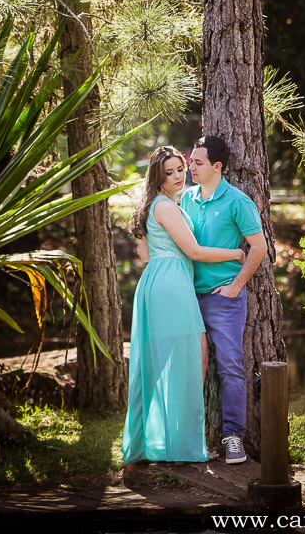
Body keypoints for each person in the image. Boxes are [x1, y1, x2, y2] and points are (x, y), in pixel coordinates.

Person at [122, 145, 246, 464]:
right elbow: (195, 251)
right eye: (170, 172)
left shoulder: (158, 204)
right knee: (193, 360)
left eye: (181, 169)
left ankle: (157, 442)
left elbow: (144, 254)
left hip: (158, 281)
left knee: (165, 362)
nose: (179, 176)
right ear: (158, 177)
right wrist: (236, 253)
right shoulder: (166, 207)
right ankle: (183, 447)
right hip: (172, 285)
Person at [181, 134, 268, 466]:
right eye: (192, 160)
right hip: (187, 300)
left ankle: (234, 438)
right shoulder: (185, 199)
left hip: (223, 300)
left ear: (217, 167)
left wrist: (235, 286)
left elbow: (258, 248)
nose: (192, 166)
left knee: (230, 368)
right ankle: (188, 437)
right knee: (189, 368)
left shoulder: (237, 201)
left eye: (198, 162)